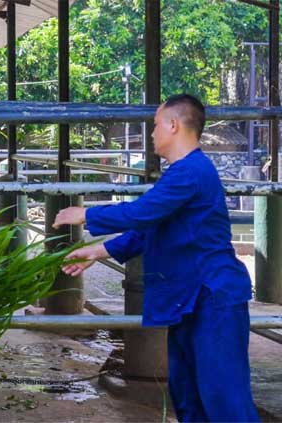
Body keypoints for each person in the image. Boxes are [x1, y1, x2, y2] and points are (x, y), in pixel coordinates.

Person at [53, 94, 260, 422]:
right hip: (190, 300)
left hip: (212, 299)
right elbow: (150, 228)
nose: (151, 133)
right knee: (187, 395)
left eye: (154, 125)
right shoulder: (182, 173)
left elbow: (141, 212)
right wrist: (96, 251)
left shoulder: (190, 172)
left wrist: (87, 213)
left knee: (224, 400)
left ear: (174, 125)